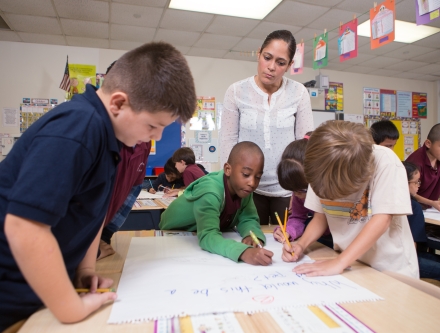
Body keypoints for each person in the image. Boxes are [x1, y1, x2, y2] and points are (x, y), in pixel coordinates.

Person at [0, 41, 196, 330]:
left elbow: (92, 211)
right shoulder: (78, 127)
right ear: (118, 103)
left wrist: (85, 270)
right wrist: (70, 308)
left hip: (42, 294)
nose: (154, 137)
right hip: (11, 299)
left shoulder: (110, 139)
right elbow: (24, 227)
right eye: (153, 126)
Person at [282, 121, 419, 278]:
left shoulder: (385, 161)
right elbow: (321, 217)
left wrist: (340, 262)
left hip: (389, 267)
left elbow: (382, 219)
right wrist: (301, 244)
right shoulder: (320, 164)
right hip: (351, 263)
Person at [219, 29, 313, 225]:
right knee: (251, 241)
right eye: (267, 57)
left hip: (287, 188)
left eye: (280, 63)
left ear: (289, 65)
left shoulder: (298, 92)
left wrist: (301, 189)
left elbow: (305, 144)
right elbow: (228, 140)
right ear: (259, 53)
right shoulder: (236, 91)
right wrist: (228, 187)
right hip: (248, 187)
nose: (271, 67)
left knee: (286, 242)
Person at [159, 141, 273, 265]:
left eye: (258, 177)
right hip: (173, 235)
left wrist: (252, 234)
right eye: (246, 174)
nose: (252, 182)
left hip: (198, 232)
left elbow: (248, 218)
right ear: (228, 169)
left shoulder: (243, 188)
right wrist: (242, 252)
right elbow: (208, 235)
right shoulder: (210, 191)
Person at [98, 60, 152, 261]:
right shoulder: (91, 133)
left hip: (90, 242)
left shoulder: (143, 141)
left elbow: (132, 190)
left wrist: (104, 235)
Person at [274, 134, 333, 248]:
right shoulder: (299, 191)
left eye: (302, 190)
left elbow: (323, 219)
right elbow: (298, 217)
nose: (297, 195)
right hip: (320, 239)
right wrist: (288, 231)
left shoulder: (329, 191)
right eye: (293, 191)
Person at [403, 161, 440, 280]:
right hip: (405, 259)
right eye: (416, 182)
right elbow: (412, 246)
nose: (419, 185)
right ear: (404, 183)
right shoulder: (413, 207)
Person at [406, 123, 440, 210]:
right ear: (428, 143)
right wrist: (432, 203)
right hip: (413, 209)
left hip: (430, 210)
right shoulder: (416, 162)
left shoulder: (437, 158)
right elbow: (409, 192)